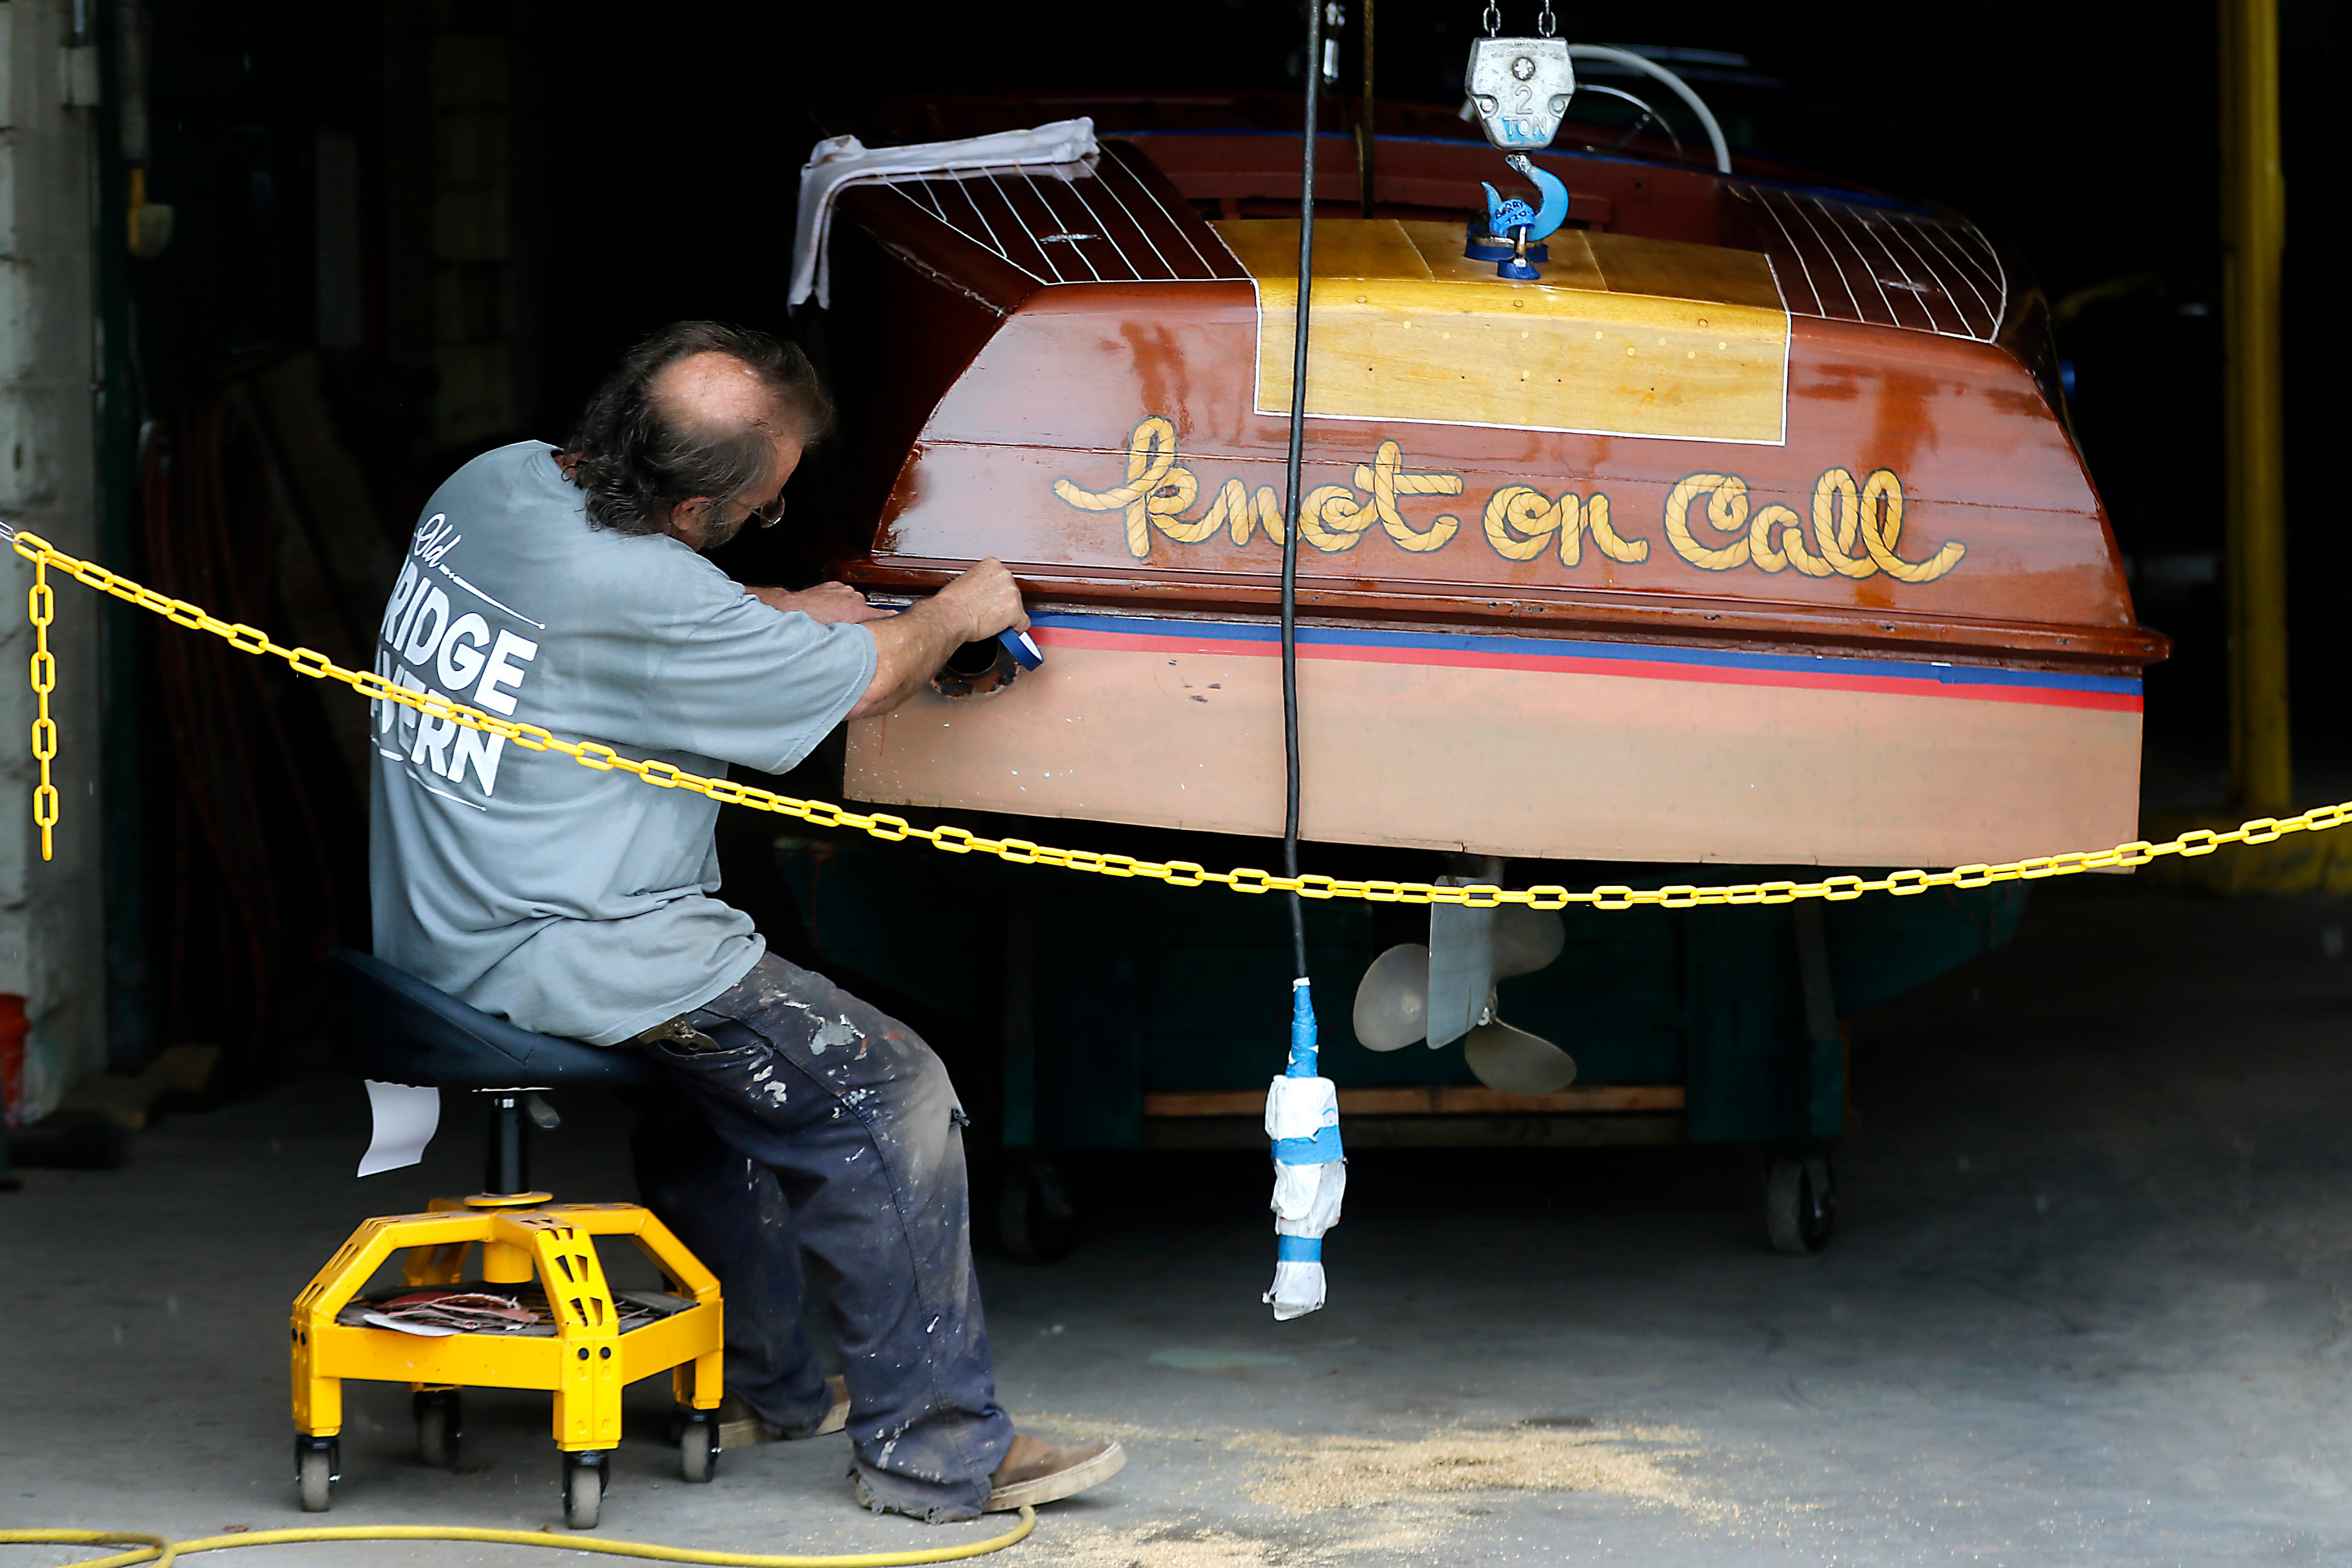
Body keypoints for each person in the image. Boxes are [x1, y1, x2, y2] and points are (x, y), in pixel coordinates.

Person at [367, 320, 1122, 1523]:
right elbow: (870, 678)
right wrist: (958, 610)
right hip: (569, 943)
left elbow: (615, 617)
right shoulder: (646, 583)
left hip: (438, 920)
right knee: (889, 1088)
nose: (769, 519)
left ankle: (763, 1382)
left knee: (723, 1095)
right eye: (763, 506)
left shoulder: (496, 479)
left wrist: (775, 605)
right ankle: (934, 1453)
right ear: (688, 510)